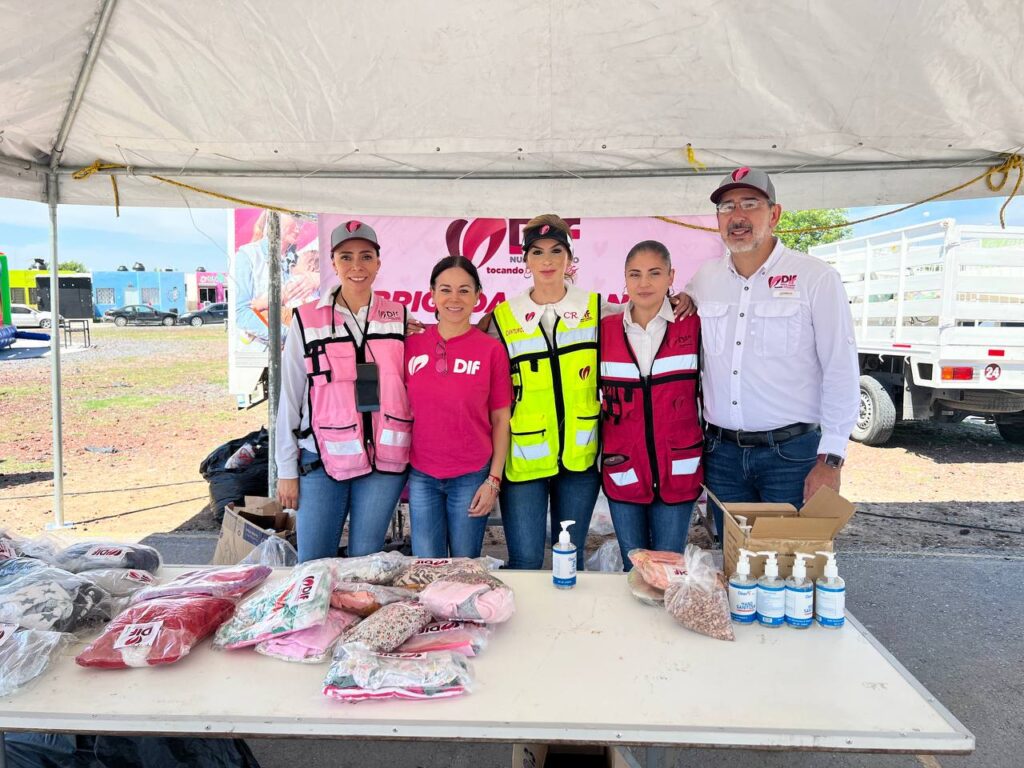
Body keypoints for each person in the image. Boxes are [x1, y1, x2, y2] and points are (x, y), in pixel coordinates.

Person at [685, 167, 859, 537]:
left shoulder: (815, 278)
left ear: (774, 214)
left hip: (792, 457)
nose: (738, 217)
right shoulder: (704, 279)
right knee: (735, 570)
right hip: (723, 456)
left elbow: (841, 370)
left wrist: (831, 460)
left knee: (791, 569)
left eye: (750, 204)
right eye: (727, 207)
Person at [276, 221, 411, 562]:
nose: (357, 266)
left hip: (382, 464)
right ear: (333, 263)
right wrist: (286, 470)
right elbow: (290, 399)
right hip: (320, 461)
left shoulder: (399, 317)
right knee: (313, 564)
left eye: (366, 257)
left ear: (378, 263)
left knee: (365, 564)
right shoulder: (306, 320)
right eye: (346, 257)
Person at [487, 215, 603, 570]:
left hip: (579, 459)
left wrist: (680, 301)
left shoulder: (598, 310)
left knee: (571, 558)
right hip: (523, 462)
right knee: (524, 561)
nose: (548, 261)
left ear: (570, 258)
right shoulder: (502, 318)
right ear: (526, 262)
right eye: (537, 252)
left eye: (556, 251)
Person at [599, 241, 703, 569]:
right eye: (635, 274)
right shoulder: (604, 331)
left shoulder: (693, 325)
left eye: (654, 273)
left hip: (679, 467)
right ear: (625, 280)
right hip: (624, 466)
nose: (644, 283)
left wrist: (693, 299)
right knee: (635, 568)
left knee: (670, 568)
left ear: (671, 276)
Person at [404, 257, 512, 557]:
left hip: (471, 475)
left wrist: (493, 480)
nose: (455, 298)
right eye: (446, 289)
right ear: (432, 294)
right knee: (426, 569)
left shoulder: (492, 350)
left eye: (464, 290)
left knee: (465, 568)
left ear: (478, 296)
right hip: (423, 474)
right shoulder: (410, 344)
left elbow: (502, 419)